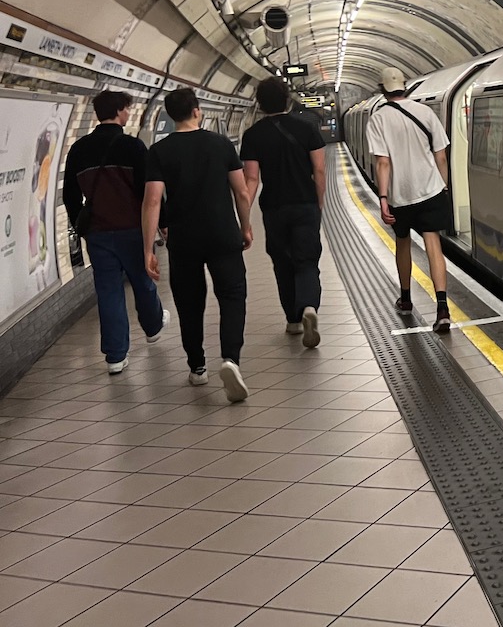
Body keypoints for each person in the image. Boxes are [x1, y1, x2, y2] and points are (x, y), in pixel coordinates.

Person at [142, 87, 253, 402]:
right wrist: (245, 227)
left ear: (170, 115)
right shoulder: (221, 144)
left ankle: (197, 367)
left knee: (189, 304)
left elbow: (152, 201)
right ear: (197, 111)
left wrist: (148, 249)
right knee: (232, 297)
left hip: (184, 239)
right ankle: (230, 359)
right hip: (223, 234)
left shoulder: (159, 151)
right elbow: (241, 192)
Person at [63, 90, 170, 374]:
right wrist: (163, 222)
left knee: (108, 291)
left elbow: (70, 195)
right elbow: (150, 192)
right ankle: (153, 327)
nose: (128, 113)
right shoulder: (132, 146)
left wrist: (81, 224)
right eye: (127, 109)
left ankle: (115, 356)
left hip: (98, 233)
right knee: (143, 280)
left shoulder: (78, 150)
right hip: (133, 229)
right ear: (121, 111)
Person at [241, 78, 326, 348]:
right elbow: (319, 170)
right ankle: (309, 306)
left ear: (260, 104)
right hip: (305, 204)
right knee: (307, 260)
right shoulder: (307, 128)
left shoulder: (252, 135)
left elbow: (251, 179)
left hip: (274, 208)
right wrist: (319, 202)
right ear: (288, 99)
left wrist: (244, 217)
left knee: (282, 263)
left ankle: (293, 320)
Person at [367, 67, 452, 332]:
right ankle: (442, 308)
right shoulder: (425, 112)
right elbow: (440, 156)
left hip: (399, 195)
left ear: (382, 89)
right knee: (433, 244)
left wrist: (383, 197)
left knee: (402, 243)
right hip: (430, 189)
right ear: (404, 86)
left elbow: (383, 162)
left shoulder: (378, 119)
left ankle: (405, 299)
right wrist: (443, 186)